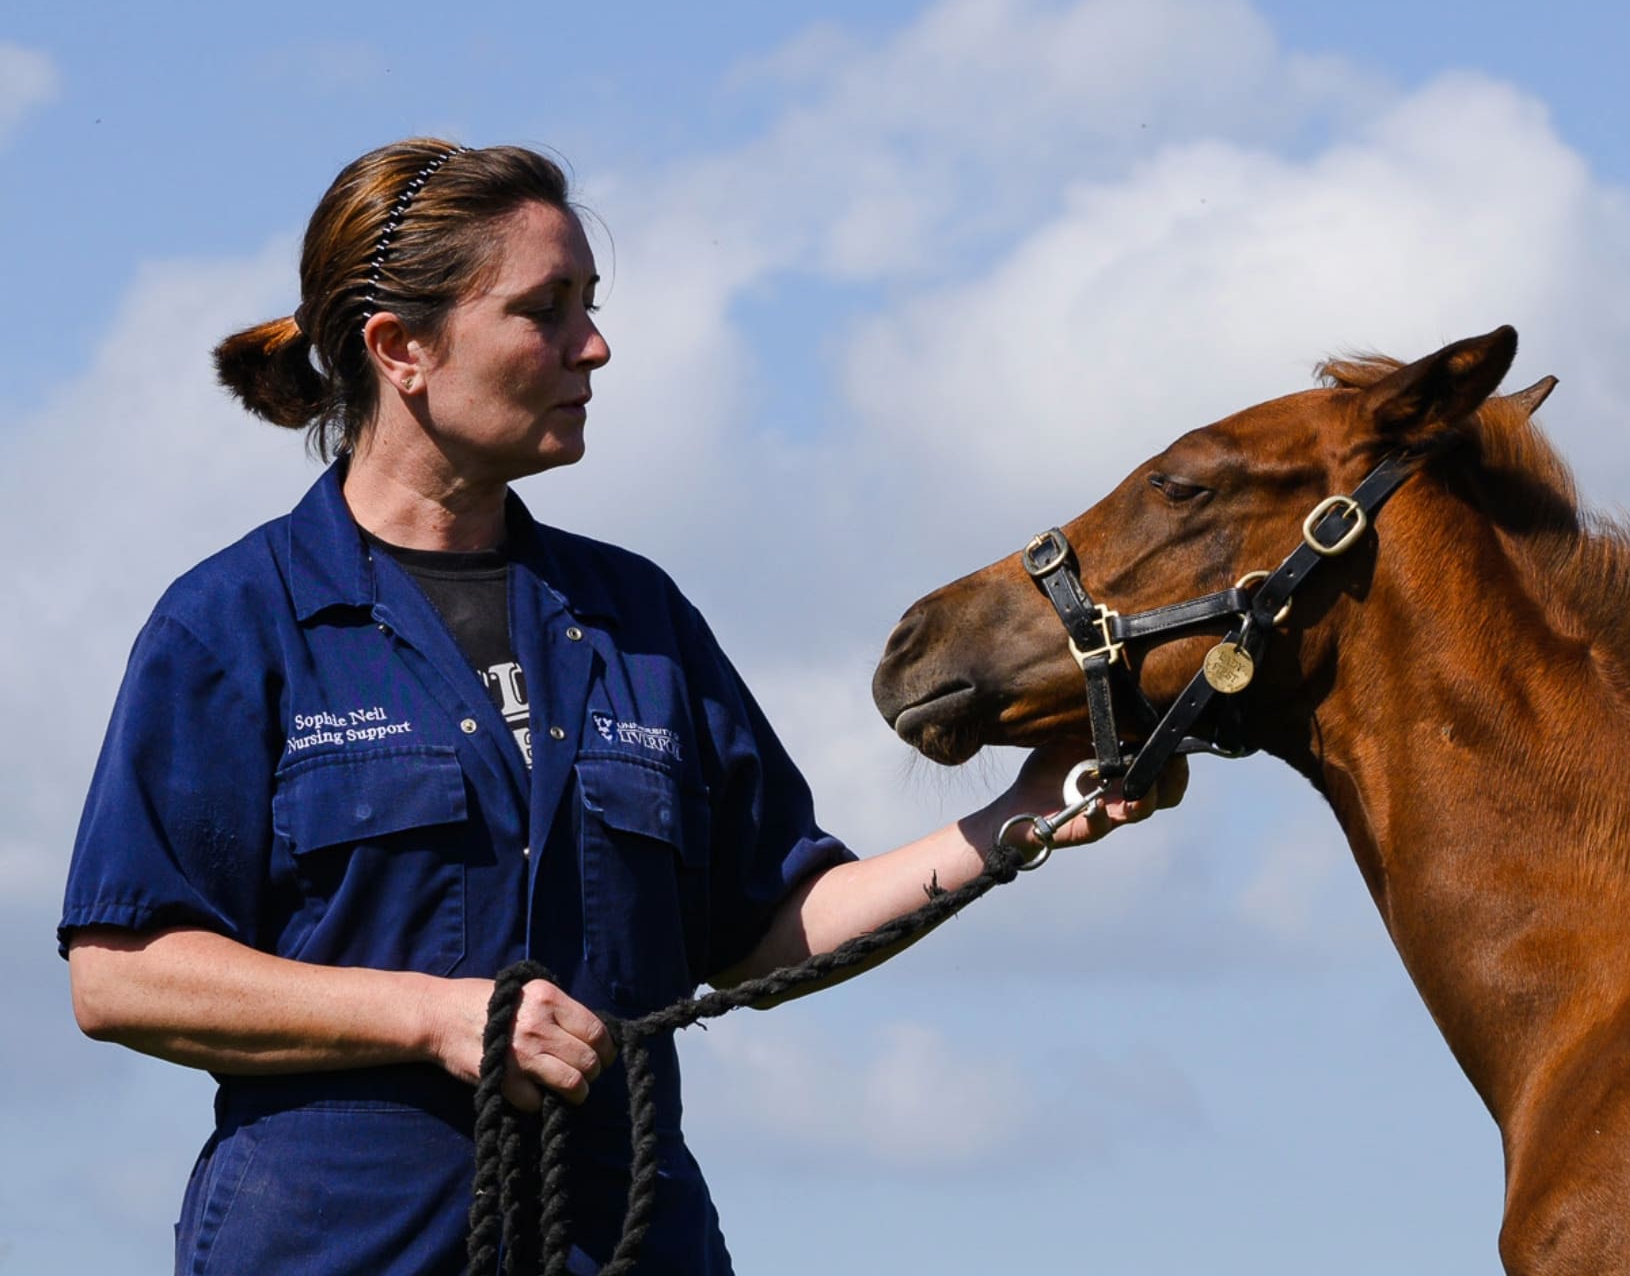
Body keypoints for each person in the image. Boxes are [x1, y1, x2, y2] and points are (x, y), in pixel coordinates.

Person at [58, 138, 1184, 1275]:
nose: (593, 346)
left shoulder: (638, 614)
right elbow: (122, 972)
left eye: (590, 305)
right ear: (401, 347)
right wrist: (430, 1014)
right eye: (545, 310)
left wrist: (1020, 819)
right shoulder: (231, 623)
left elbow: (767, 932)